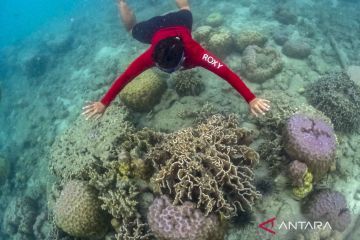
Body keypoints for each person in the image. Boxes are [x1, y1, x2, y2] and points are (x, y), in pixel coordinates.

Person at [83, 0, 270, 120]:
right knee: (137, 27)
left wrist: (251, 99)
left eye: (172, 69)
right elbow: (125, 77)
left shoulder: (196, 53)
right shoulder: (150, 56)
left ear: (183, 55)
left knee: (180, 11)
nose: (171, 73)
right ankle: (121, 3)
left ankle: (122, 3)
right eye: (164, 69)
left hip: (178, 25)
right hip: (155, 29)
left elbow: (226, 73)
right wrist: (103, 103)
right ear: (155, 57)